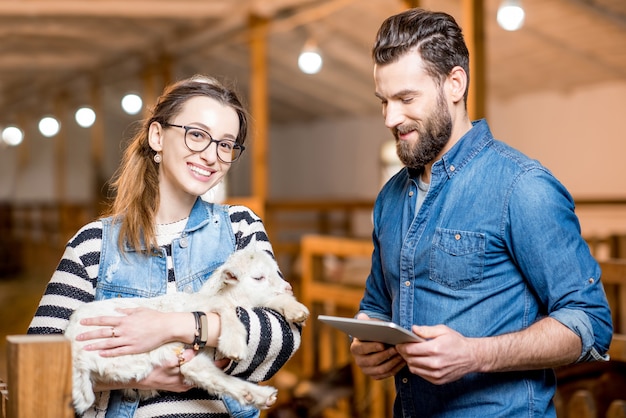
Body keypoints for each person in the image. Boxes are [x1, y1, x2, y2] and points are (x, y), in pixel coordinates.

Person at [350, 8, 613, 417]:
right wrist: (365, 343)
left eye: (405, 98)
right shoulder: (390, 198)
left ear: (454, 84)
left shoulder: (522, 186)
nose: (390, 118)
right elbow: (377, 304)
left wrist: (476, 355)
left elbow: (590, 323)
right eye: (383, 101)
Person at [27, 75, 303, 418]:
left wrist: (177, 326)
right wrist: (137, 374)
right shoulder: (92, 245)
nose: (211, 156)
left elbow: (284, 336)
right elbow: (36, 368)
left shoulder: (240, 227)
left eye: (226, 144)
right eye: (197, 135)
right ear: (157, 136)